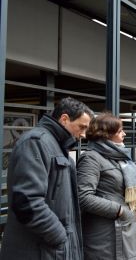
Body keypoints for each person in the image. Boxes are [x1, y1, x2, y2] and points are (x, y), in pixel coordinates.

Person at [0, 97, 93, 259]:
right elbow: (27, 203)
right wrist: (60, 237)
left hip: (49, 249)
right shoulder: (37, 142)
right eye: (82, 127)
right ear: (64, 119)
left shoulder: (53, 144)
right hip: (41, 249)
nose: (84, 134)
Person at [76, 113, 136, 260]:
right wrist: (120, 210)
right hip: (105, 234)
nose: (125, 134)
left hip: (124, 228)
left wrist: (135, 206)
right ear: (106, 134)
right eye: (120, 131)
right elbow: (83, 196)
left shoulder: (120, 156)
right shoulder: (91, 158)